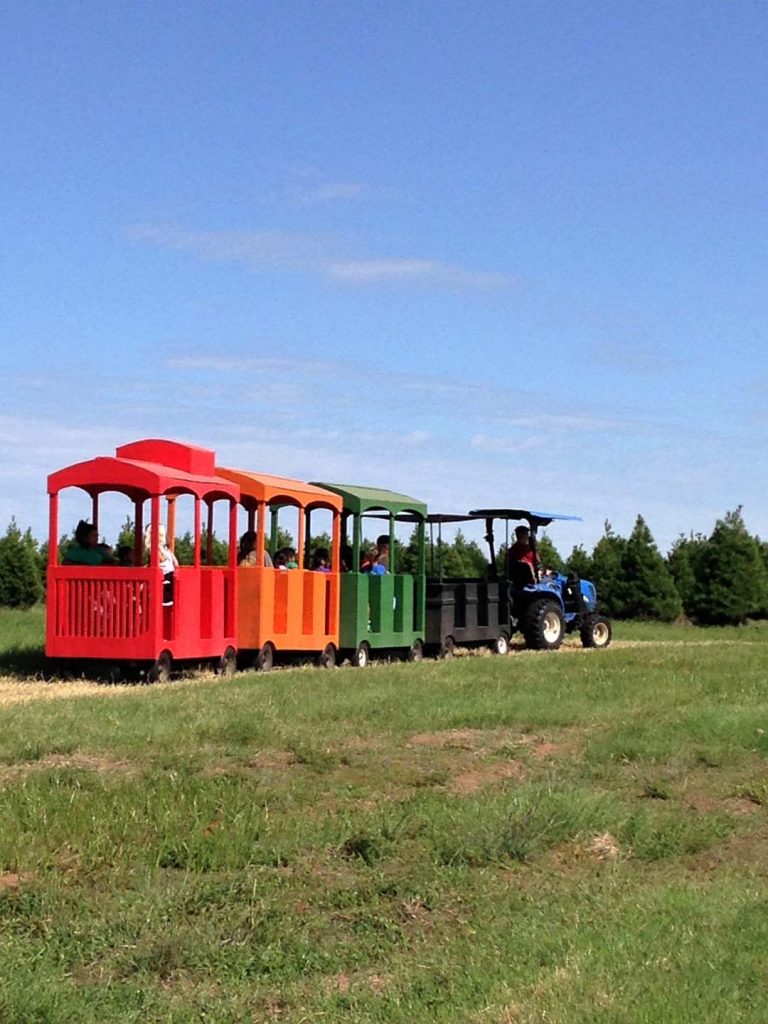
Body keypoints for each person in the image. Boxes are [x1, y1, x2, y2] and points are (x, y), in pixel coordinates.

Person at [145, 523, 179, 606]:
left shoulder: (166, 549)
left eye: (162, 535)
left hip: (169, 571)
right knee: (166, 581)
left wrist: (165, 551)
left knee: (171, 580)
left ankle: (169, 598)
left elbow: (175, 562)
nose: (160, 538)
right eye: (158, 535)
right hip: (163, 573)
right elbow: (161, 560)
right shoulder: (153, 549)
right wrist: (160, 549)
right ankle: (166, 599)